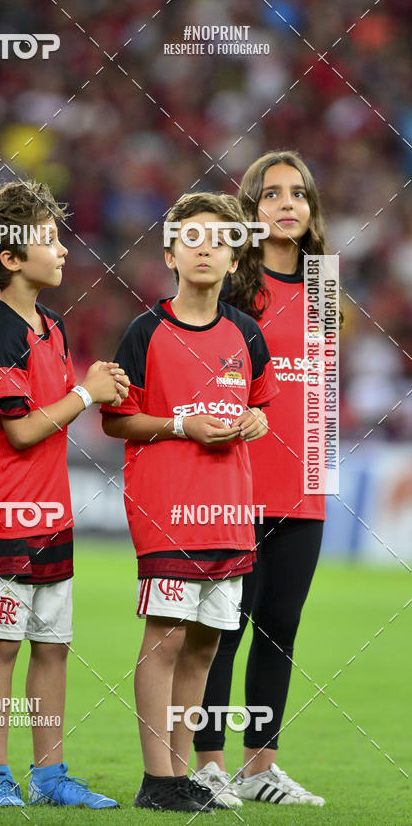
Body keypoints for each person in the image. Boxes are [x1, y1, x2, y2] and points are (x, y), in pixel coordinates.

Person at [101, 192, 279, 813]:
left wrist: (255, 422)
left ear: (235, 260)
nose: (206, 249)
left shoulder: (247, 334)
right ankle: (157, 778)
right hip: (166, 512)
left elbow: (260, 405)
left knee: (206, 644)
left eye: (221, 241)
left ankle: (182, 775)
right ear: (171, 252)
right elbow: (117, 422)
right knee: (167, 639)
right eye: (193, 238)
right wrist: (181, 426)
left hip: (231, 513)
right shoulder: (145, 332)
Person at [0, 180, 128, 809]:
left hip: (52, 514)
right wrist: (86, 395)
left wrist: (97, 389)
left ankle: (51, 777)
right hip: (4, 512)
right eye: (48, 239)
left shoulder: (51, 325)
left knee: (53, 648)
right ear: (10, 259)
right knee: (2, 645)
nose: (61, 249)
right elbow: (23, 429)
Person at [193, 150, 330, 807]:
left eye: (298, 194)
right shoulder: (232, 288)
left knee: (282, 626)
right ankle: (210, 765)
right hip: (237, 485)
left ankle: (260, 768)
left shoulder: (325, 287)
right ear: (250, 211)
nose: (287, 205)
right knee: (225, 626)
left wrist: (320, 473)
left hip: (303, 488)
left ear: (311, 208)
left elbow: (322, 392)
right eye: (272, 194)